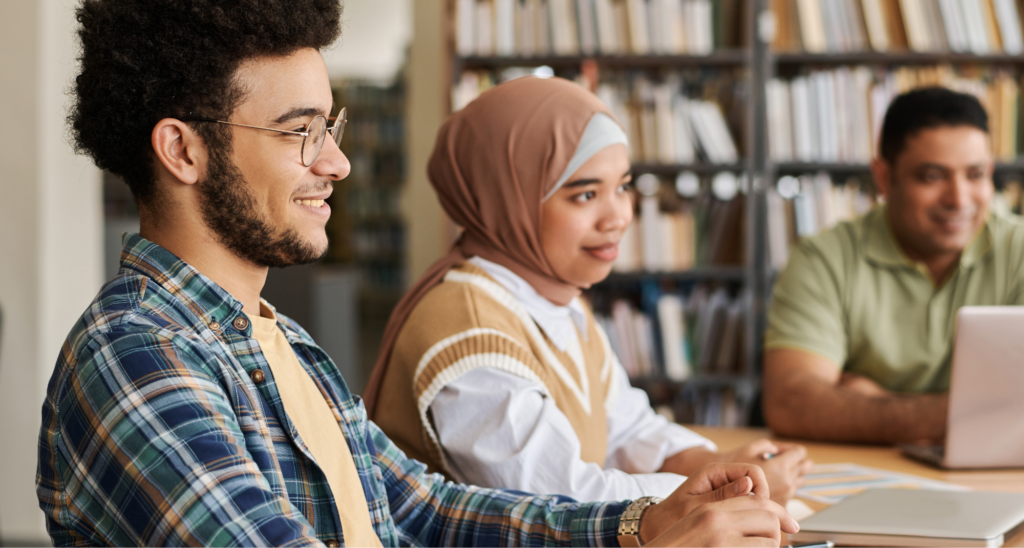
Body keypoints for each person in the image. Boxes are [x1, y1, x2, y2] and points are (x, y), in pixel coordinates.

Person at [36, 1, 799, 546]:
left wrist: (644, 524)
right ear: (183, 151)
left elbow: (419, 511)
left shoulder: (280, 342)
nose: (335, 162)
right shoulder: (136, 358)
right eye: (300, 133)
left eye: (328, 129)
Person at [365, 76, 811, 507]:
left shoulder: (556, 300)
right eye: (584, 195)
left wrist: (723, 466)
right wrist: (721, 490)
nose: (617, 216)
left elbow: (629, 430)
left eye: (623, 186)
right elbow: (565, 501)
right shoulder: (467, 332)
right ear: (508, 200)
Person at [762, 86, 1024, 444]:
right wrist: (978, 413)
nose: (959, 199)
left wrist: (875, 401)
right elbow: (791, 402)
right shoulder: (824, 258)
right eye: (932, 176)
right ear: (884, 178)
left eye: (975, 175)